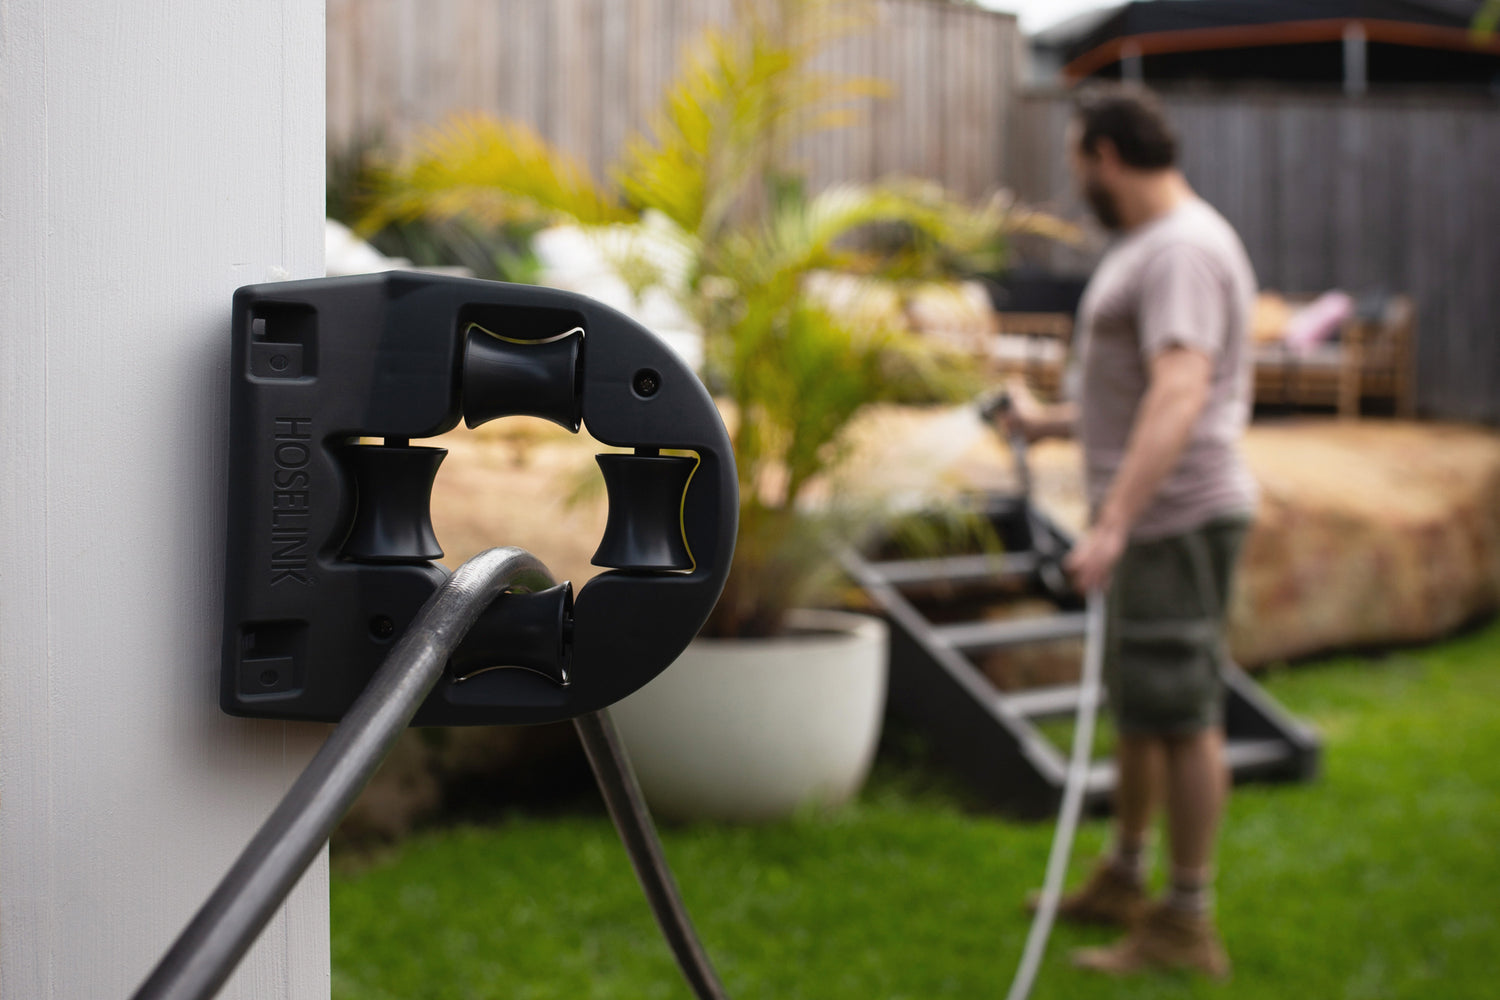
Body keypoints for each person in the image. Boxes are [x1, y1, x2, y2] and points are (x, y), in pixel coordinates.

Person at [998, 87, 1258, 980]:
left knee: (1183, 716)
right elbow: (1134, 397)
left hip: (1173, 517)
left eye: (1077, 161)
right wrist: (1047, 425)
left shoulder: (1181, 248)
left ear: (1106, 154)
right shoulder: (1157, 246)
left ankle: (1187, 921)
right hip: (1157, 516)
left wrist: (1113, 524)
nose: (1077, 180)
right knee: (1145, 709)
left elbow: (1182, 389)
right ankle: (1125, 875)